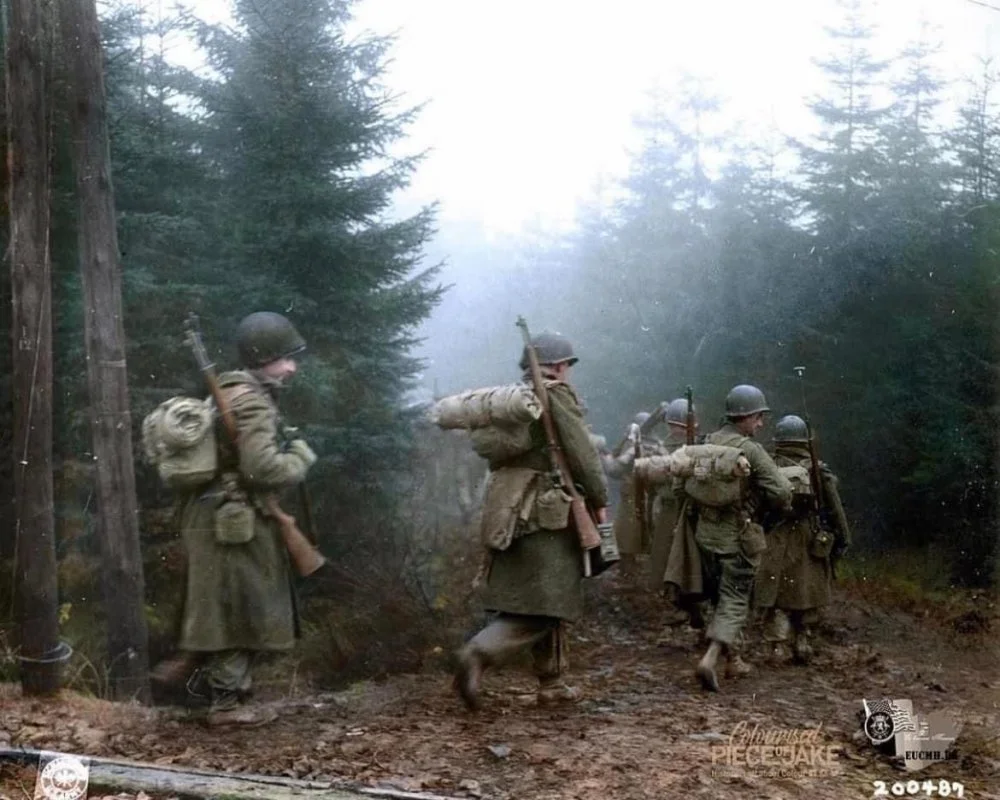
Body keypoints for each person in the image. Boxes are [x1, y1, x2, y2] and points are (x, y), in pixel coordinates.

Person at [154, 311, 318, 725]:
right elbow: (260, 469)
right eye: (285, 358)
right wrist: (299, 457)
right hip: (232, 522)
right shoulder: (252, 402)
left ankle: (225, 692)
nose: (292, 367)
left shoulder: (230, 393)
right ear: (264, 358)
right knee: (241, 607)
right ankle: (226, 704)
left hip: (217, 517)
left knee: (229, 604)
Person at [453, 331, 609, 710]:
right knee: (549, 602)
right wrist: (600, 498)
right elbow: (583, 455)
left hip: (509, 508)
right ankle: (478, 652)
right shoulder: (554, 395)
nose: (568, 373)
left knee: (539, 597)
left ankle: (551, 682)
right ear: (557, 366)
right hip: (548, 513)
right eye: (566, 366)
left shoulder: (511, 402)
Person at [689, 384, 792, 692]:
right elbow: (782, 491)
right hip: (737, 536)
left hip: (705, 535)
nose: (760, 424)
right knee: (735, 599)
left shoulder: (707, 442)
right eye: (758, 417)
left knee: (721, 596)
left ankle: (735, 659)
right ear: (745, 417)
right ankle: (711, 657)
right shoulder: (750, 450)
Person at [754, 415, 852, 664]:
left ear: (778, 440)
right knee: (805, 591)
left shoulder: (767, 467)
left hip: (774, 535)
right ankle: (803, 640)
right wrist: (843, 539)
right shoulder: (817, 469)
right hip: (808, 536)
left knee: (775, 594)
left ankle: (776, 646)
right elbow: (835, 508)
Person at [649, 398, 702, 626]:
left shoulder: (698, 446)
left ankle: (687, 604)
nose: (677, 431)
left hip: (687, 510)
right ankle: (681, 603)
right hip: (675, 509)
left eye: (680, 427)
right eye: (675, 426)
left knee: (685, 559)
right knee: (674, 558)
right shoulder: (662, 449)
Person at [602, 411, 664, 580]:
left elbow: (615, 470)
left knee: (626, 540)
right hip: (654, 499)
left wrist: (606, 457)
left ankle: (629, 575)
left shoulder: (635, 447)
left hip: (632, 498)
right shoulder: (659, 446)